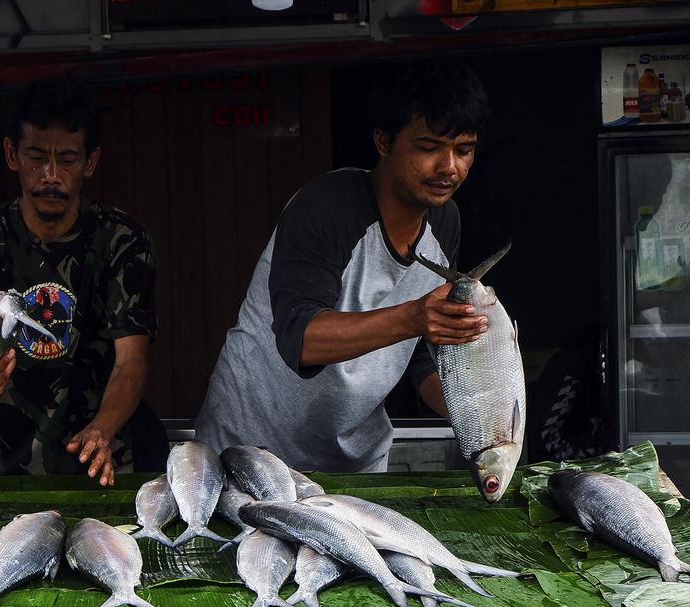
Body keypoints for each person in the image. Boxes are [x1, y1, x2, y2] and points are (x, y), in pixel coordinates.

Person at [194, 60, 491, 473]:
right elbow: (301, 340)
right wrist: (415, 317)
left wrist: (472, 413)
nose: (449, 167)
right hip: (249, 454)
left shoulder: (445, 221)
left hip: (353, 462)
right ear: (383, 141)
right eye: (428, 147)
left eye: (464, 149)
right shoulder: (325, 207)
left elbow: (421, 353)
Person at [0, 77, 168, 486]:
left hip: (99, 466)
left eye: (67, 159)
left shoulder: (122, 241)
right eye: (36, 156)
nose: (50, 175)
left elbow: (132, 359)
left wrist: (103, 428)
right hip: (0, 473)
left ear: (91, 162)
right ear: (12, 154)